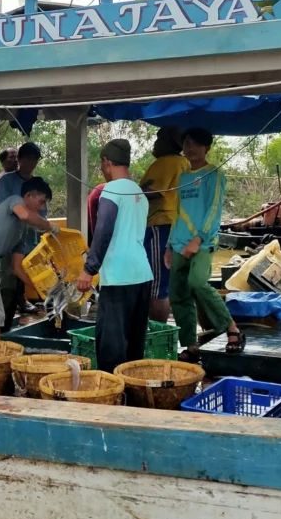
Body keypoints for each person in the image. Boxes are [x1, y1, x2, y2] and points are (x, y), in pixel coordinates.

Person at [166, 128, 244, 361]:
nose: (190, 149)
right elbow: (178, 212)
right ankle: (191, 346)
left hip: (201, 243)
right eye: (186, 144)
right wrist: (170, 245)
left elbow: (213, 210)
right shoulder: (183, 177)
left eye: (195, 144)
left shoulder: (214, 174)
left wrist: (198, 238)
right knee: (178, 294)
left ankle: (231, 329)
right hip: (179, 243)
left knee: (198, 283)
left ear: (207, 148)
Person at [76, 140, 152, 374]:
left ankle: (114, 395)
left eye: (102, 165)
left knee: (111, 345)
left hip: (119, 276)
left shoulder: (111, 190)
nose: (102, 170)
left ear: (107, 162)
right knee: (134, 342)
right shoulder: (139, 192)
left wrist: (89, 269)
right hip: (142, 274)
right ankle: (132, 392)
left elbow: (103, 231)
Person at [0, 177, 59, 340]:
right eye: (41, 202)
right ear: (28, 195)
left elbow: (17, 267)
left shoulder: (22, 231)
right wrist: (49, 226)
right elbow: (24, 215)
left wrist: (40, 288)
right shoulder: (14, 201)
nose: (42, 208)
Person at [138, 125, 190, 322]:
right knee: (168, 283)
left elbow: (152, 191)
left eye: (158, 139)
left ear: (167, 142)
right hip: (177, 225)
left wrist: (130, 189)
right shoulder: (185, 162)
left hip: (159, 224)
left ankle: (157, 331)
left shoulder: (166, 162)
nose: (155, 144)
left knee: (157, 285)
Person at [0, 141, 45, 327]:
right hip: (9, 239)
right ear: (20, 160)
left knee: (25, 280)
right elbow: (4, 209)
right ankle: (3, 326)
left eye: (35, 160)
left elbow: (42, 213)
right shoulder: (6, 181)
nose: (32, 163)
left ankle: (23, 316)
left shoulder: (38, 183)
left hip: (29, 240)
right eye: (29, 159)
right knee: (8, 282)